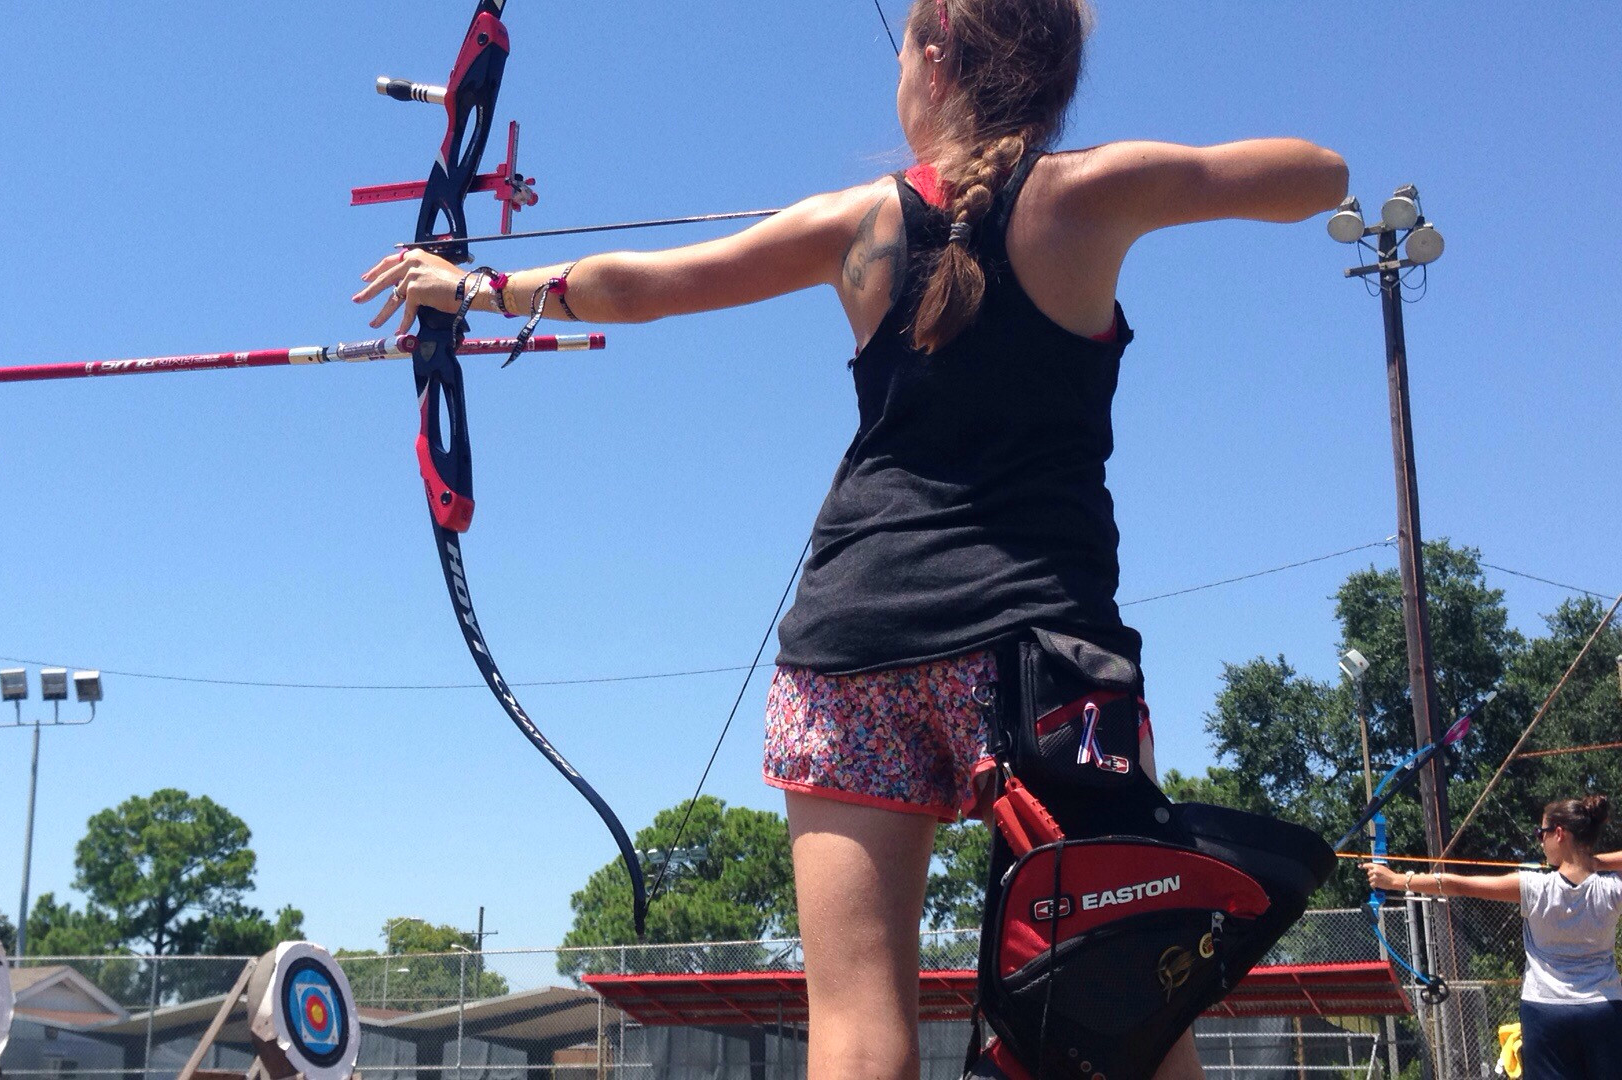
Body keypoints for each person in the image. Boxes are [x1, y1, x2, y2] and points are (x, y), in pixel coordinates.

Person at [358, 2, 1346, 1076]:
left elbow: (642, 289)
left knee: (858, 1022)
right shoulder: (1090, 192)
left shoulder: (858, 222)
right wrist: (1140, 176)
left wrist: (474, 288)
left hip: (850, 647)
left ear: (934, 59)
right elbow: (1320, 174)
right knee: (1124, 1011)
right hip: (1039, 655)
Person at [1365, 796, 1622, 1080]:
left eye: (1542, 833)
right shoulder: (1613, 888)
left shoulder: (1533, 886)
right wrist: (1592, 862)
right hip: (1603, 1008)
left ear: (1559, 834)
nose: (1540, 841)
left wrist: (1396, 880)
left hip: (1547, 1011)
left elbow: (1458, 885)